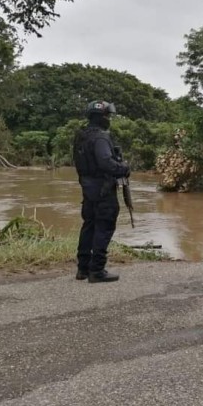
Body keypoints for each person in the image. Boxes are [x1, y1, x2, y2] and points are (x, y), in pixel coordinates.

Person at [73, 100, 130, 283]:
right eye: (107, 116)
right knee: (103, 227)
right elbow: (106, 162)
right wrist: (123, 168)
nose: (109, 119)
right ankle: (97, 270)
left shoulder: (81, 136)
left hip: (87, 189)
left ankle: (82, 269)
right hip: (103, 191)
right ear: (103, 117)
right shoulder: (101, 137)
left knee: (88, 226)